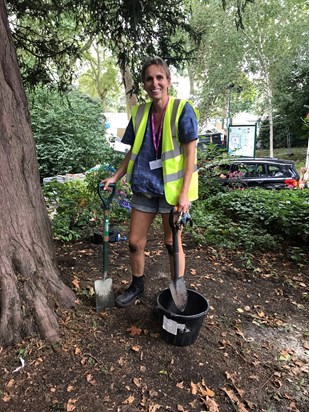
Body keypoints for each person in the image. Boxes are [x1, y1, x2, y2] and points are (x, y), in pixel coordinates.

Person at [102, 56, 199, 308]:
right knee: (135, 242)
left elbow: (190, 156)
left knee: (171, 243)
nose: (154, 83)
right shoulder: (140, 112)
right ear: (144, 84)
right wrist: (115, 175)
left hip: (172, 191)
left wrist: (185, 194)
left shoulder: (182, 109)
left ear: (168, 81)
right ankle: (137, 285)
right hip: (144, 187)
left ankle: (177, 287)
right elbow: (132, 151)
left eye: (159, 77)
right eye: (149, 78)